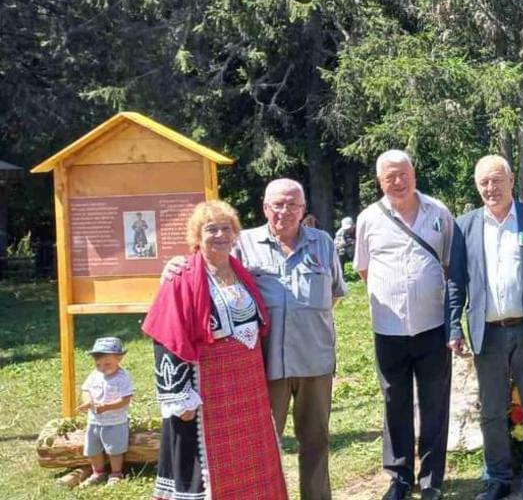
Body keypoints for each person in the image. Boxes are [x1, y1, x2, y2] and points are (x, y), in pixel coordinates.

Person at [163, 179, 345, 500]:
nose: (285, 211)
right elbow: (208, 263)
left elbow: (334, 296)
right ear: (265, 208)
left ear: (303, 209)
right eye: (277, 204)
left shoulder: (324, 243)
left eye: (293, 204)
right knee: (258, 442)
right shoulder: (243, 242)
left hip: (315, 362)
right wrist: (173, 266)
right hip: (264, 364)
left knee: (316, 440)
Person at [143, 200, 287, 500]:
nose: (220, 234)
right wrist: (180, 395)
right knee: (210, 462)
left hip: (248, 389)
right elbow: (167, 336)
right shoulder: (182, 277)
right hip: (208, 389)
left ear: (235, 234)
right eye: (211, 229)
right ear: (197, 235)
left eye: (226, 228)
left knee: (250, 457)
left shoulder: (242, 272)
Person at [447, 155, 523, 500]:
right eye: (484, 182)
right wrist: (454, 328)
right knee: (490, 411)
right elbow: (456, 281)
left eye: (496, 180)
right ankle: (497, 478)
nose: (491, 188)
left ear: (511, 180)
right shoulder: (466, 226)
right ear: (477, 186)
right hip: (487, 333)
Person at [356, 150, 455, 500]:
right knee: (394, 402)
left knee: (434, 403)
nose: (397, 182)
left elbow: (448, 266)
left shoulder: (439, 213)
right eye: (389, 177)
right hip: (388, 329)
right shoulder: (368, 218)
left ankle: (432, 479)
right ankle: (399, 477)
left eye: (403, 174)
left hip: (433, 328)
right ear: (379, 181)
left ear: (414, 173)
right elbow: (365, 270)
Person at [77, 336, 133, 487]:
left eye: (107, 363)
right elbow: (86, 389)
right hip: (94, 421)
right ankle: (98, 472)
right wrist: (87, 401)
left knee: (114, 449)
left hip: (115, 421)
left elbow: (125, 399)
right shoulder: (95, 375)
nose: (102, 367)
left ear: (119, 358)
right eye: (98, 364)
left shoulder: (123, 377)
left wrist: (107, 406)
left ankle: (116, 473)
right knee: (93, 449)